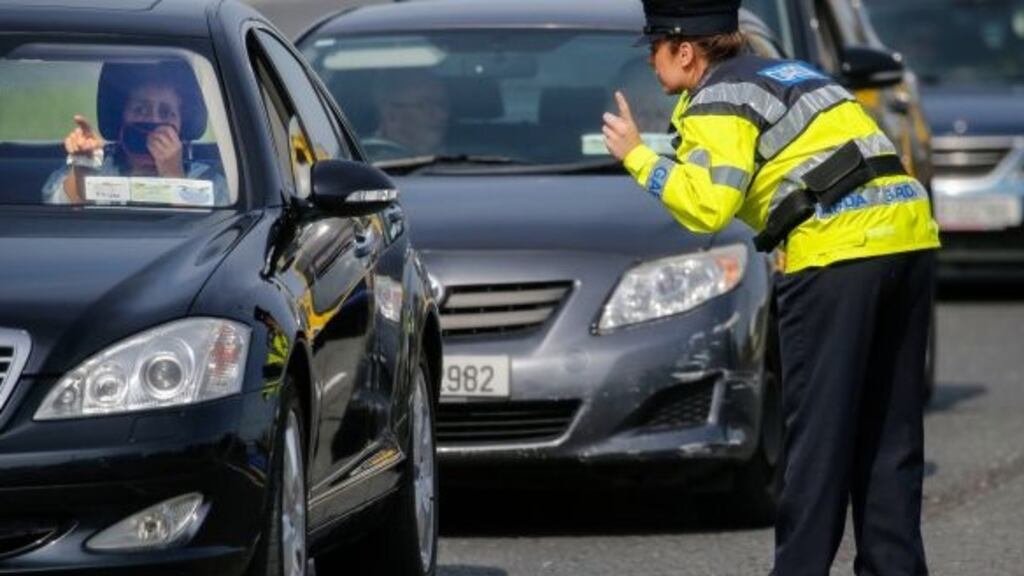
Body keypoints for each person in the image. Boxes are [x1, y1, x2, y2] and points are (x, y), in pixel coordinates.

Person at [602, 1, 940, 575]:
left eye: (654, 50)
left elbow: (708, 206)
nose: (652, 66)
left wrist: (636, 156)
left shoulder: (718, 99)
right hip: (907, 237)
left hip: (838, 254)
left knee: (817, 442)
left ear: (685, 50)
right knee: (889, 437)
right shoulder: (791, 75)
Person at [43, 61, 228, 206]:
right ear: (120, 117)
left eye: (166, 113)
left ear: (182, 124)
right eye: (141, 110)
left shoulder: (208, 181)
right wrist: (83, 167)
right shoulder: (99, 170)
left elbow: (207, 229)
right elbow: (60, 208)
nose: (154, 121)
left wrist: (173, 175)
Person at [368, 70, 450, 157]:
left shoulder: (461, 159)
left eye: (441, 104)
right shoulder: (363, 163)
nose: (442, 115)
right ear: (391, 115)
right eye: (423, 105)